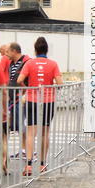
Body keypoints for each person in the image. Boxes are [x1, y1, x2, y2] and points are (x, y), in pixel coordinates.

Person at [17, 37, 62, 176]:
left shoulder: (29, 63)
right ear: (46, 50)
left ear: (35, 50)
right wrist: (51, 88)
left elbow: (19, 80)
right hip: (48, 100)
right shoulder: (53, 64)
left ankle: (29, 165)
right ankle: (42, 164)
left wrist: (28, 88)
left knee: (31, 132)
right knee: (44, 133)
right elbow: (60, 83)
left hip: (32, 99)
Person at [6, 42, 29, 160]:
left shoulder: (26, 62)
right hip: (12, 98)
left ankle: (25, 151)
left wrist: (25, 94)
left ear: (14, 51)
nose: (6, 54)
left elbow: (28, 80)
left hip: (22, 99)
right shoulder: (11, 63)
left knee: (23, 125)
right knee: (17, 125)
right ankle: (22, 150)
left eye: (8, 52)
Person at [0, 44, 10, 173]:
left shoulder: (2, 60)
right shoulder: (2, 61)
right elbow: (4, 89)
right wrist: (5, 109)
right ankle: (4, 161)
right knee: (4, 137)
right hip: (1, 99)